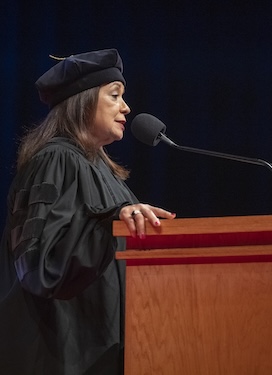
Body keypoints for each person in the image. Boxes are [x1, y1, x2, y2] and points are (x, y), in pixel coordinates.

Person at [0, 48, 176, 374]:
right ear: (81, 102)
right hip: (59, 355)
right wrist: (108, 224)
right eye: (114, 95)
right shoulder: (55, 160)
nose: (126, 107)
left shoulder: (107, 174)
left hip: (106, 351)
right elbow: (40, 264)